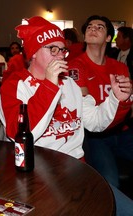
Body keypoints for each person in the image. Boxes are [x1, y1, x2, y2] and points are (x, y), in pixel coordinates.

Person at [0, 16, 133, 215]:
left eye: (62, 49)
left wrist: (117, 99)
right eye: (52, 49)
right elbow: (20, 134)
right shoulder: (14, 86)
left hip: (78, 171)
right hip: (35, 177)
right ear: (34, 53)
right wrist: (49, 86)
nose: (60, 55)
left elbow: (96, 122)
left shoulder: (70, 84)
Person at [68, 15, 133, 192]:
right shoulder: (75, 66)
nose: (93, 28)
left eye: (99, 27)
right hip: (96, 138)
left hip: (123, 131)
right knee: (111, 182)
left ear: (107, 38)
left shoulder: (119, 67)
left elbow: (128, 105)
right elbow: (89, 116)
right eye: (89, 26)